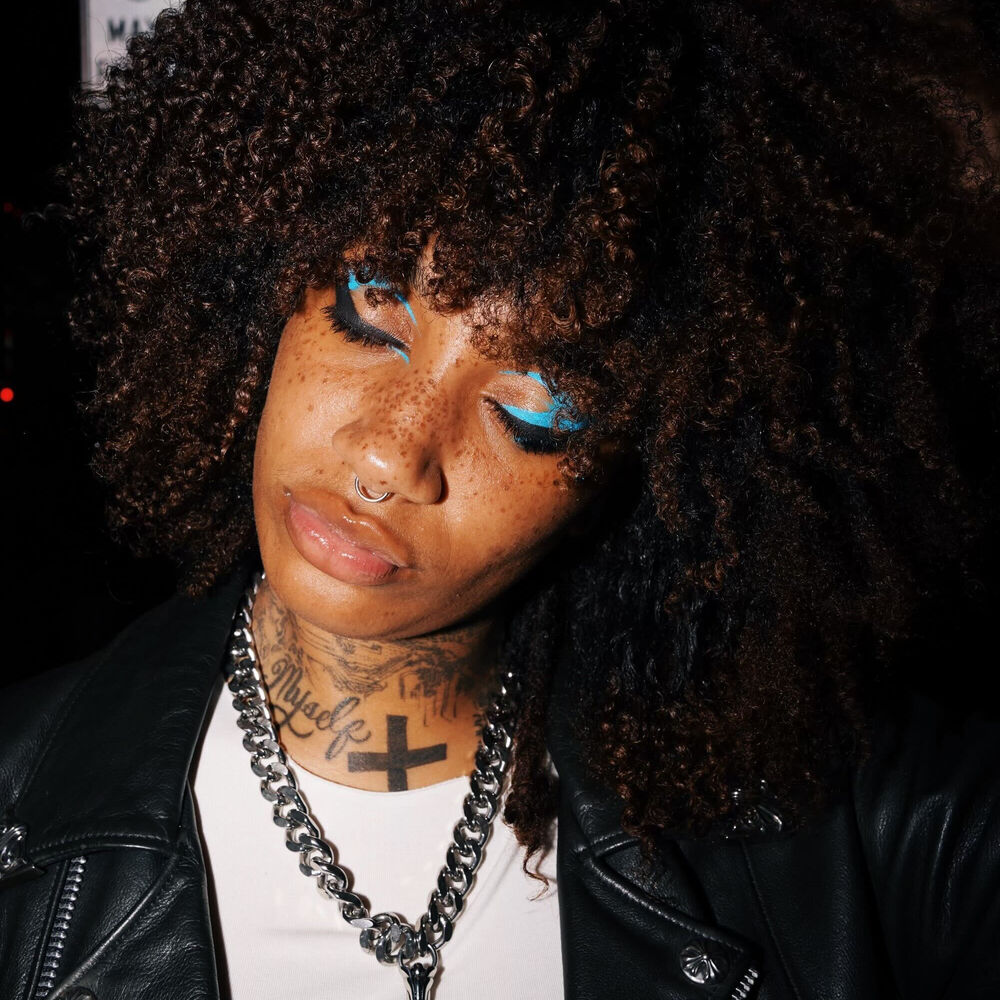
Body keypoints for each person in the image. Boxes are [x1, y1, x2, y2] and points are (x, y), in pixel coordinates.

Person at [2, 0, 999, 997]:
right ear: (270, 278)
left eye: (536, 408)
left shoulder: (876, 831)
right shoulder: (17, 803)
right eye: (372, 309)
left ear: (662, 466)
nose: (391, 455)